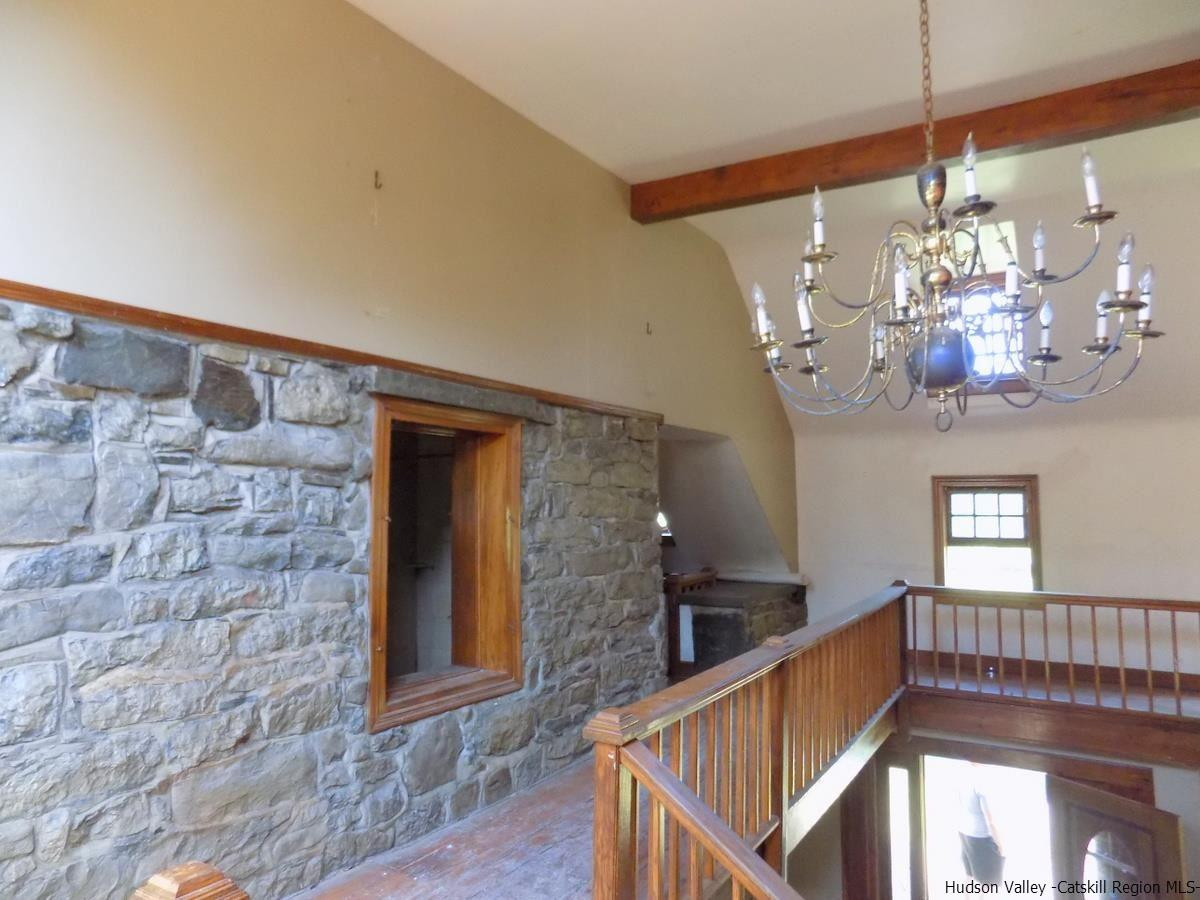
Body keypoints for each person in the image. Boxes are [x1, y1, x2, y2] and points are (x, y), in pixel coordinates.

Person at [958, 764, 1004, 884]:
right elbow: (990, 820)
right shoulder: (983, 780)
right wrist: (1000, 844)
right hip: (980, 836)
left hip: (964, 830)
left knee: (969, 874)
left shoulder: (964, 773)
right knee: (988, 882)